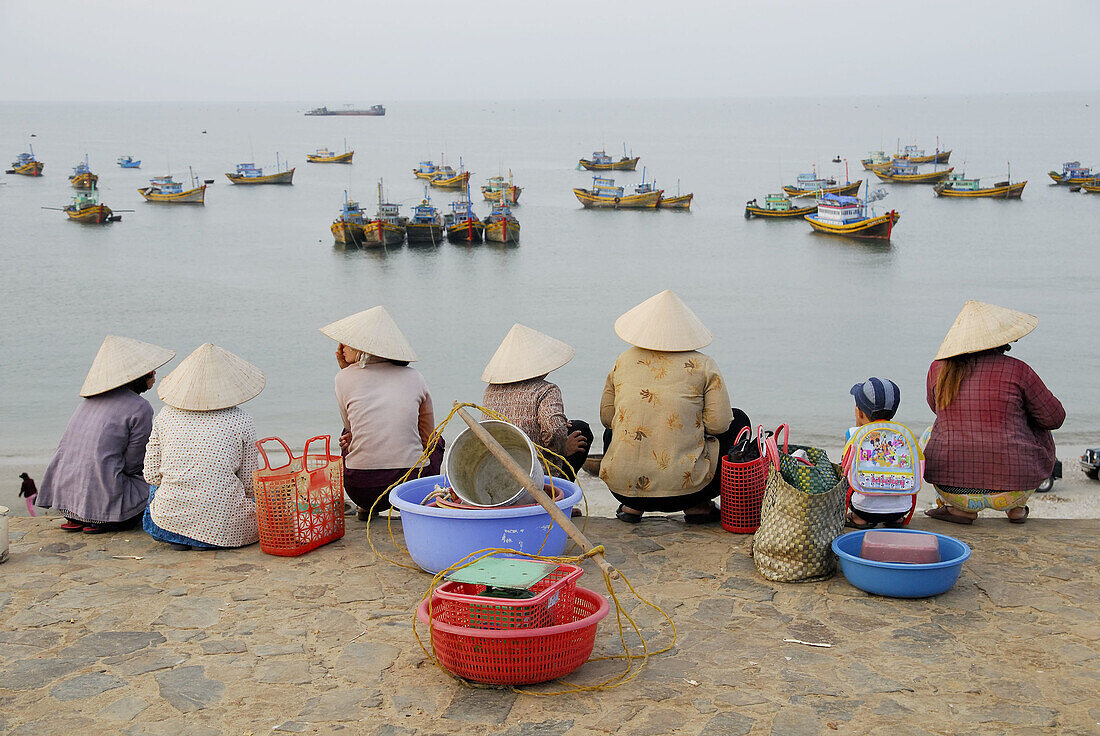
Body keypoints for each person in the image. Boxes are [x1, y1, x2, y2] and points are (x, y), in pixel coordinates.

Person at [599, 290, 747, 524]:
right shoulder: (703, 364)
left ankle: (632, 506)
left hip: (621, 487)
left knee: (616, 428)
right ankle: (698, 506)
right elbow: (718, 425)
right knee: (738, 421)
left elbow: (607, 418)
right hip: (689, 490)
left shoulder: (623, 360)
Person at [923, 301, 1065, 525]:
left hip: (952, 489)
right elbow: (1055, 418)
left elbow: (936, 408)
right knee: (1039, 424)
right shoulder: (1018, 369)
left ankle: (960, 510)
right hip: (1014, 489)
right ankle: (1016, 508)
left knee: (932, 430)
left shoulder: (937, 369)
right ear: (1001, 339)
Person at [36, 335, 175, 533]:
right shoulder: (140, 407)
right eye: (152, 372)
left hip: (67, 504)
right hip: (104, 509)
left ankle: (81, 517)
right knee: (159, 488)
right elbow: (133, 464)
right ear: (141, 377)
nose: (155, 376)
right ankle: (101, 517)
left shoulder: (89, 401)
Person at [320, 306, 442, 519]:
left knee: (345, 435)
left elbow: (351, 426)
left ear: (363, 348)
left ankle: (367, 508)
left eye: (347, 342)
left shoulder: (343, 379)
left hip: (362, 489)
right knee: (437, 441)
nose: (340, 347)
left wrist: (345, 370)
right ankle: (417, 505)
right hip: (410, 486)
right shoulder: (415, 377)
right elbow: (427, 438)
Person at [143, 343, 264, 550]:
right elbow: (249, 484)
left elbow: (152, 475)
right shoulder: (242, 419)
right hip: (225, 528)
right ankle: (205, 536)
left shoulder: (165, 416)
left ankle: (180, 534)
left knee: (158, 485)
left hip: (166, 523)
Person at [481, 323, 591, 480]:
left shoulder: (490, 391)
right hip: (534, 472)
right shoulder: (546, 390)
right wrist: (562, 449)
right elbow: (554, 431)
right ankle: (558, 491)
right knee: (582, 429)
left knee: (571, 426)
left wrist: (559, 424)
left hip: (498, 467)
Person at [842, 377, 916, 530]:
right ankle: (895, 519)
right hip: (902, 508)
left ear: (859, 412)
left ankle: (859, 519)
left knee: (842, 470)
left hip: (863, 508)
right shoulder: (903, 435)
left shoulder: (853, 434)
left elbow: (845, 469)